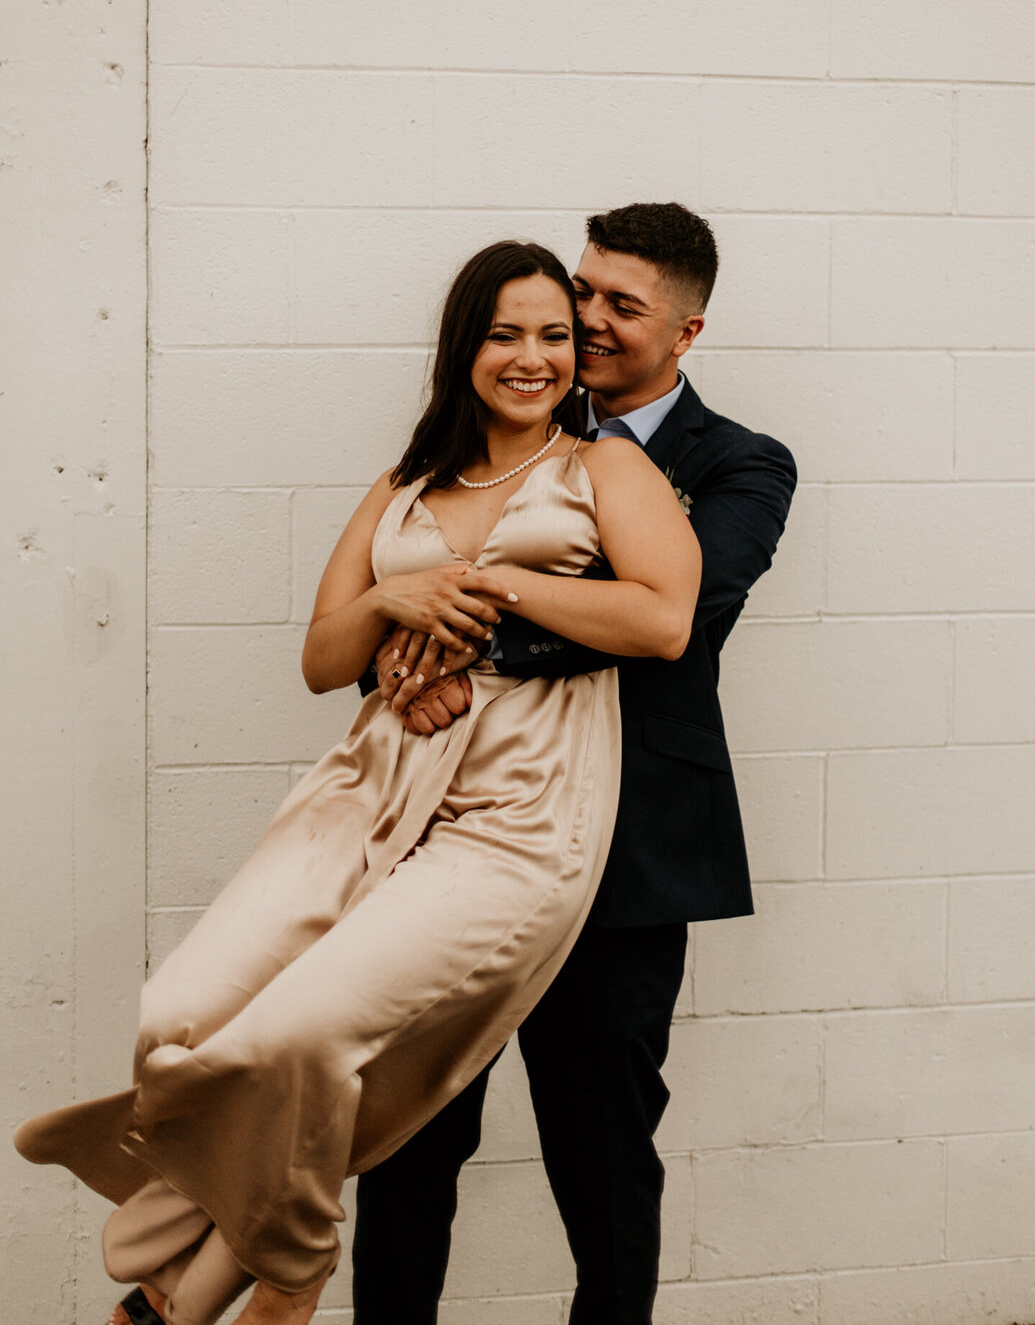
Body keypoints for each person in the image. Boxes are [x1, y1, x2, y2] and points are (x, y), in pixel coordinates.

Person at [14, 239, 702, 1325]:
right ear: (463, 346)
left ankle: (283, 1271)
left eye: (555, 336)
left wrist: (486, 583)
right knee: (179, 1015)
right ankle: (212, 1244)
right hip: (371, 785)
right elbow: (321, 658)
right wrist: (390, 607)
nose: (533, 356)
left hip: (518, 811)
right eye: (506, 333)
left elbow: (663, 617)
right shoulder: (407, 483)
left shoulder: (605, 469)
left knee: (301, 1039)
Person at [353, 202, 797, 1325]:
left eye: (619, 305)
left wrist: (476, 637)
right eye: (581, 292)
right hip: (455, 840)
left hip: (631, 859)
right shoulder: (491, 438)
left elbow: (679, 614)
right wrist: (404, 652)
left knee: (601, 1155)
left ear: (688, 332)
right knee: (404, 1139)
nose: (585, 323)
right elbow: (401, 571)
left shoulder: (741, 465)